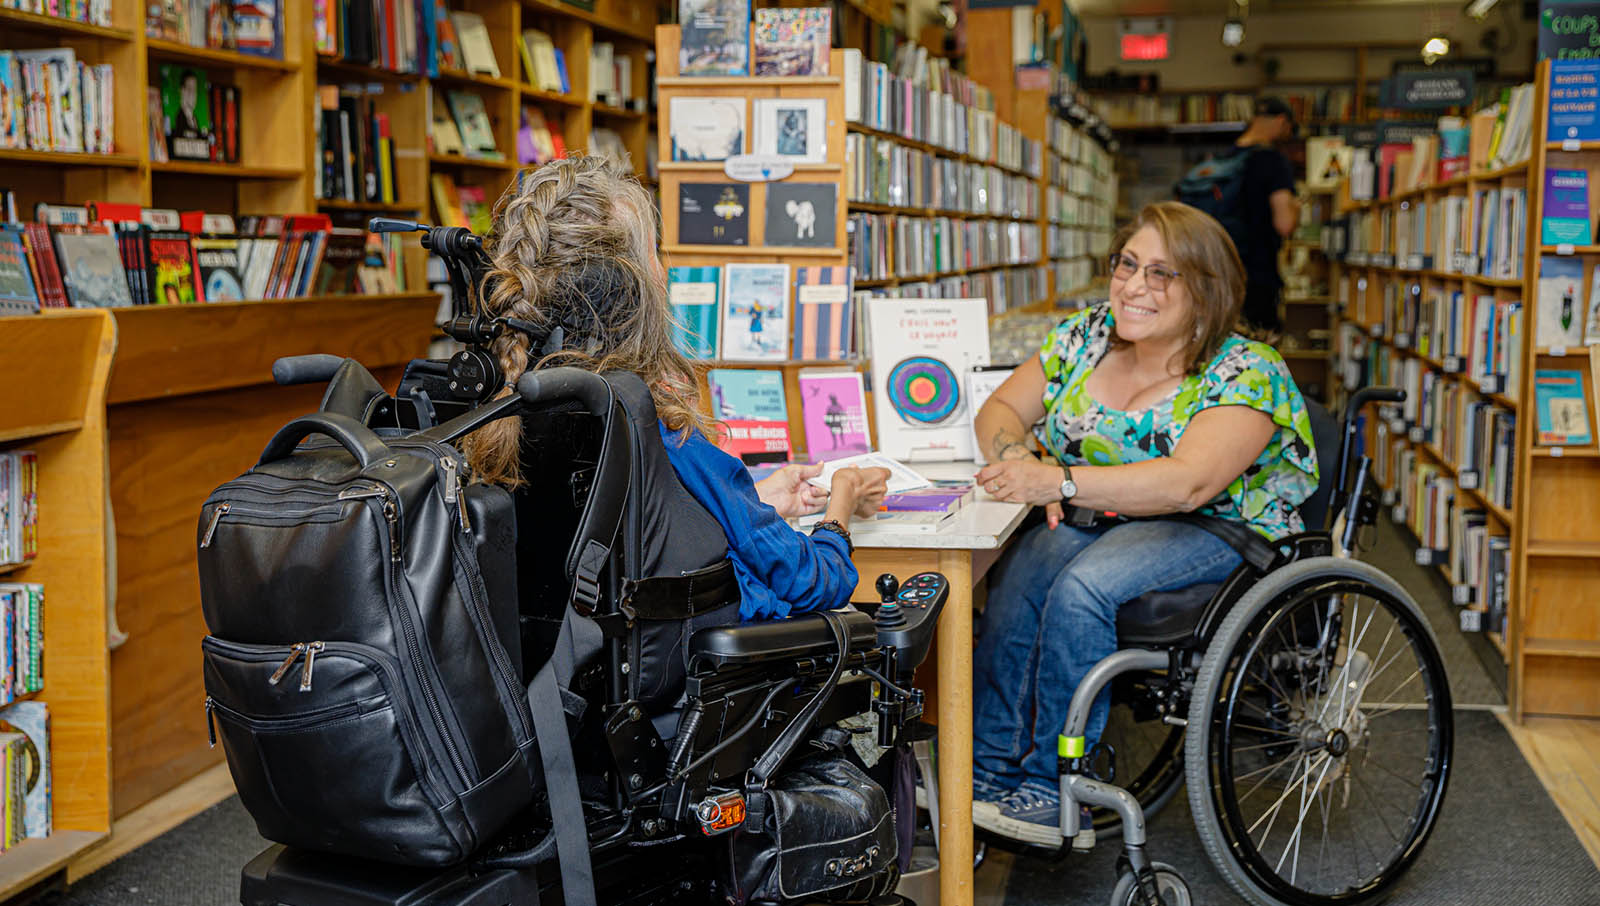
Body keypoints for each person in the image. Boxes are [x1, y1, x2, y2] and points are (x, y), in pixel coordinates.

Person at [967, 201, 1319, 848]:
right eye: (1127, 264)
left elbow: (1188, 484)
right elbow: (999, 410)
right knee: (1023, 565)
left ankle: (1055, 788)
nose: (1133, 285)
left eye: (1162, 273)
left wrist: (1059, 481)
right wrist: (1020, 458)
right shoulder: (1085, 335)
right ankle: (986, 771)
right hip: (1107, 512)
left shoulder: (1247, 370)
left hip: (1218, 525)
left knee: (1084, 588)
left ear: (1207, 290)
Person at [462, 155, 889, 621]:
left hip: (557, 659)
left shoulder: (501, 409)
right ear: (630, 288)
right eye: (654, 253)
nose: (664, 272)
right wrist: (843, 499)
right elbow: (814, 580)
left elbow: (634, 524)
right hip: (694, 657)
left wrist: (755, 498)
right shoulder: (651, 423)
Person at [1177, 96, 1300, 334]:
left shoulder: (1223, 160)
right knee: (1255, 348)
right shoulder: (1272, 161)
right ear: (1281, 121)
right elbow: (1284, 223)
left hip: (1211, 275)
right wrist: (1296, 207)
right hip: (1255, 279)